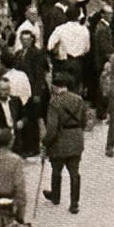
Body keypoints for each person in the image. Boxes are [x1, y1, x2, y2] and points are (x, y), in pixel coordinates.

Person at [41, 72, 86, 214]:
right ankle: (74, 203)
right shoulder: (78, 99)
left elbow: (52, 129)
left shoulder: (54, 102)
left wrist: (46, 142)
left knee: (56, 170)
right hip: (76, 139)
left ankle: (55, 196)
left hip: (60, 142)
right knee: (74, 172)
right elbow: (84, 121)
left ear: (55, 87)